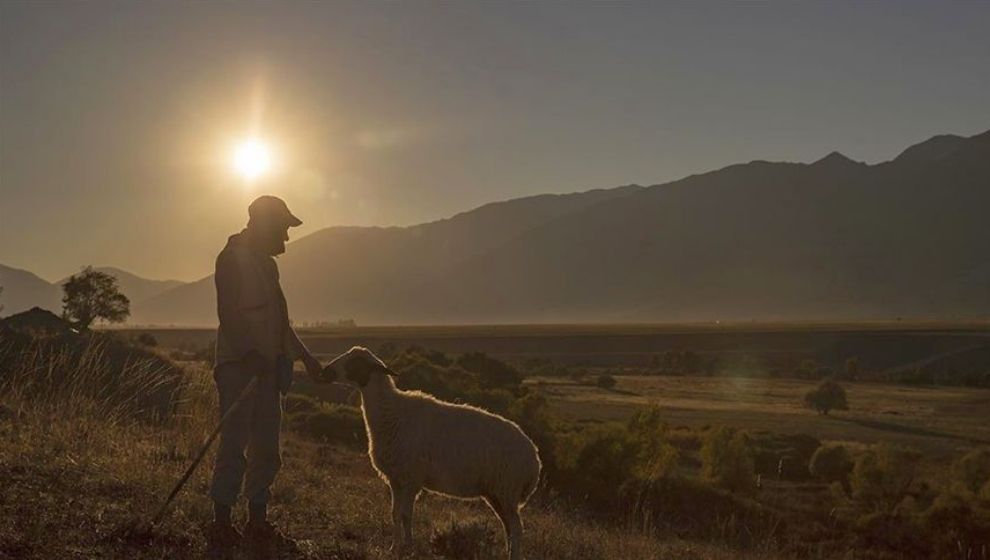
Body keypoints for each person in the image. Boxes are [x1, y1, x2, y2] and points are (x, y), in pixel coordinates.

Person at [206, 195, 323, 558]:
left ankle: (257, 522)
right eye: (283, 229)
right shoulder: (230, 259)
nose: (286, 239)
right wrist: (250, 355)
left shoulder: (268, 267)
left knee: (267, 449)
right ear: (263, 224)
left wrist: (306, 358)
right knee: (234, 445)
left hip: (269, 371)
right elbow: (229, 315)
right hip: (239, 370)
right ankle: (222, 523)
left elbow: (282, 325)